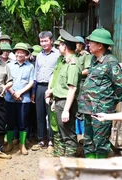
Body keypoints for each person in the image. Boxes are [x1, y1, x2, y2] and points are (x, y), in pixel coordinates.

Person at [78, 28, 122, 159]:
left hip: (102, 110)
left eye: (91, 42)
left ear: (100, 45)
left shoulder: (111, 63)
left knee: (101, 143)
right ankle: (90, 169)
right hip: (88, 108)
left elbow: (119, 87)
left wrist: (108, 104)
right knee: (88, 142)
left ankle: (99, 172)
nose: (89, 44)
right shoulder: (93, 60)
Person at [46, 29, 81, 157]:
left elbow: (72, 89)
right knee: (61, 133)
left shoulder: (72, 65)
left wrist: (66, 109)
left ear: (64, 47)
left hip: (66, 102)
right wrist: (55, 100)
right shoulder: (64, 62)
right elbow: (60, 86)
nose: (58, 46)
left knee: (69, 136)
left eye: (60, 44)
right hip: (60, 101)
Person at [3, 43, 34, 155]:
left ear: (26, 54)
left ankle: (22, 144)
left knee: (23, 122)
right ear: (14, 53)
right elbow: (5, 81)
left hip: (24, 99)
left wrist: (20, 92)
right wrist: (13, 93)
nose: (19, 54)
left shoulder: (30, 66)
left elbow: (31, 82)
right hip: (10, 98)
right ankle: (10, 143)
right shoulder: (9, 65)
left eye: (22, 52)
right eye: (17, 52)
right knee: (10, 121)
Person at [32, 31, 60, 150]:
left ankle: (52, 140)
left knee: (51, 114)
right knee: (40, 114)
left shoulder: (58, 54)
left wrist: (54, 89)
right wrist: (34, 91)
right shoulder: (39, 55)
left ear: (51, 41)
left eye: (46, 41)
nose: (43, 43)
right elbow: (36, 73)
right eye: (41, 41)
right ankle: (42, 138)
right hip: (39, 87)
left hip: (52, 87)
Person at [74, 36, 92, 140]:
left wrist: (75, 73)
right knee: (74, 109)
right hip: (73, 84)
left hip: (82, 84)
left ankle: (82, 136)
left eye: (77, 43)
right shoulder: (73, 55)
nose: (75, 45)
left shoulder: (86, 55)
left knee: (81, 109)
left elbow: (87, 70)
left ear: (81, 45)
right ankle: (77, 134)